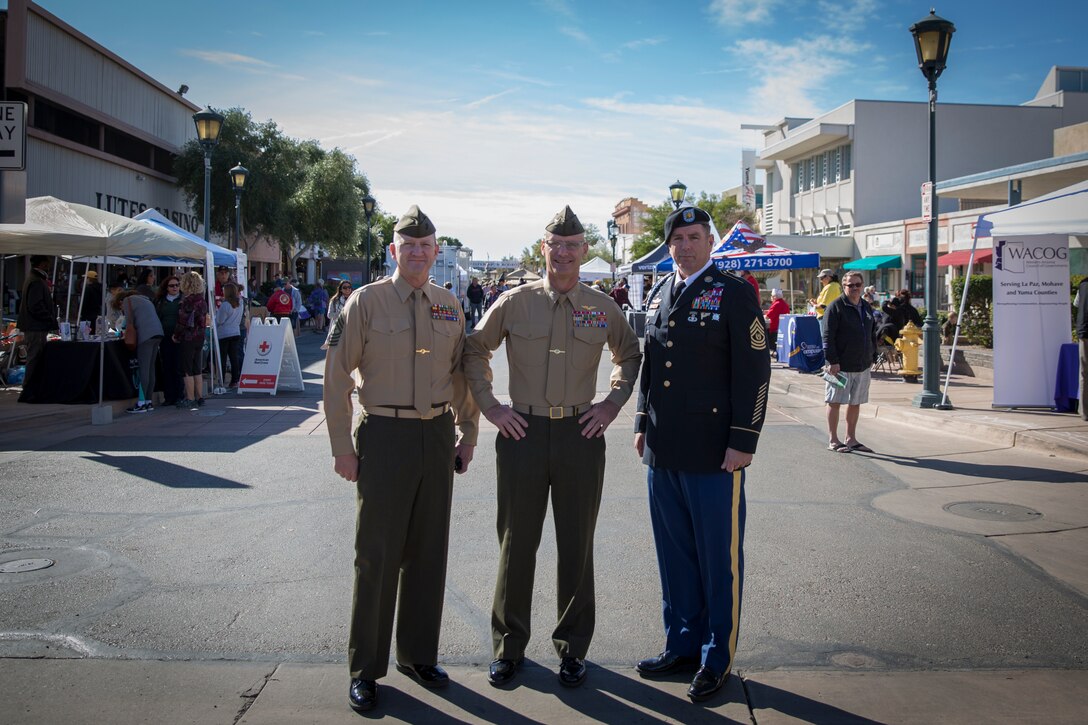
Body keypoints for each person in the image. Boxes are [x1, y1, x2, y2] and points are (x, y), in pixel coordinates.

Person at [463, 205, 641, 690]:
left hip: (580, 434)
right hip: (522, 432)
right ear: (543, 248)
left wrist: (611, 404)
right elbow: (475, 349)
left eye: (571, 246)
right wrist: (491, 407)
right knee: (516, 544)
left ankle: (572, 650)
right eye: (554, 245)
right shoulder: (514, 302)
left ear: (585, 251)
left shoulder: (603, 306)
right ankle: (508, 648)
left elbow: (629, 353)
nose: (562, 254)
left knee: (576, 546)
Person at [323, 205, 479, 715]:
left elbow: (460, 375)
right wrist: (343, 447)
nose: (417, 252)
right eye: (408, 244)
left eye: (426, 244)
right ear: (394, 250)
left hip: (435, 434)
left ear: (436, 251)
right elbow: (337, 378)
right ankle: (365, 668)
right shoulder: (365, 303)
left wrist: (467, 432)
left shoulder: (448, 305)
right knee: (377, 554)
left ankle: (417, 656)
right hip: (384, 434)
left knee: (428, 551)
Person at [632, 205, 771, 703]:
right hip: (664, 448)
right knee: (675, 557)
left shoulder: (735, 294)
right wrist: (642, 422)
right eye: (678, 238)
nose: (686, 245)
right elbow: (652, 363)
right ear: (669, 245)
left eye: (695, 236)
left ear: (710, 241)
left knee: (718, 559)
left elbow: (755, 372)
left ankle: (717, 656)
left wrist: (743, 440)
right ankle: (682, 644)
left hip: (716, 451)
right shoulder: (660, 291)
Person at [824, 271, 878, 453]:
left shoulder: (866, 307)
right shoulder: (835, 307)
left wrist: (873, 355)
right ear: (844, 286)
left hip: (862, 365)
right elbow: (827, 337)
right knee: (834, 401)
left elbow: (871, 333)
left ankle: (851, 438)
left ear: (862, 286)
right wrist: (832, 361)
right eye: (850, 285)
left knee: (855, 402)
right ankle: (833, 439)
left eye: (857, 285)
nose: (854, 288)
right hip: (838, 366)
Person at [113, 290, 164, 413]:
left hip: (145, 336)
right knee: (151, 368)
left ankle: (141, 402)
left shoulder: (128, 301)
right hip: (158, 333)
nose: (122, 309)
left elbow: (129, 322)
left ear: (121, 301)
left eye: (120, 307)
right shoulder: (145, 299)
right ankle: (148, 401)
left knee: (143, 369)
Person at [17, 255, 57, 389]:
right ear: (42, 264)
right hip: (36, 326)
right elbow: (35, 305)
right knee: (35, 356)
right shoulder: (36, 281)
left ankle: (32, 386)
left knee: (35, 356)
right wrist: (49, 318)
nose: (49, 266)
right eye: (47, 263)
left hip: (35, 325)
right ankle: (29, 387)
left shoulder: (35, 279)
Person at [173, 271, 209, 411]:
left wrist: (176, 335)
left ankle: (190, 398)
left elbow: (182, 322)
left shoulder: (187, 301)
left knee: (187, 369)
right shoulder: (202, 301)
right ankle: (200, 397)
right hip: (200, 336)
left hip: (188, 337)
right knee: (197, 367)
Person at [155, 275, 185, 406]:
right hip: (165, 337)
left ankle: (179, 395)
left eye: (177, 285)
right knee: (167, 366)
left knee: (178, 366)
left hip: (180, 337)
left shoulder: (183, 300)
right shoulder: (161, 301)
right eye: (172, 286)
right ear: (166, 288)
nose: (175, 288)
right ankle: (169, 397)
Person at [215, 282, 244, 388]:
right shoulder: (240, 302)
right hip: (235, 331)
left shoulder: (225, 305)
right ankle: (235, 380)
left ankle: (221, 379)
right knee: (233, 357)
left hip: (224, 333)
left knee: (222, 357)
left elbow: (220, 320)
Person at [765, 287, 791, 356]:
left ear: (774, 297)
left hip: (775, 328)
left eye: (771, 296)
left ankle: (771, 350)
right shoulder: (784, 304)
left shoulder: (776, 304)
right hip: (783, 327)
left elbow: (768, 316)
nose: (771, 298)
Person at [1076, 278, 1088, 421]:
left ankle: (1084, 412)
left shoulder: (1083, 283)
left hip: (1083, 331)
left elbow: (1077, 303)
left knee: (1084, 373)